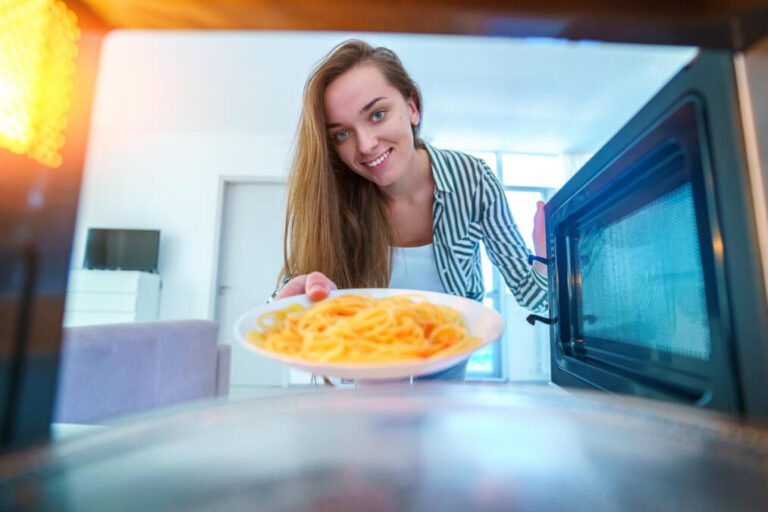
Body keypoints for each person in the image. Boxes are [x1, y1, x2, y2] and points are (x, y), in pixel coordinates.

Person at [272, 39, 549, 381]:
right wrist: (290, 303)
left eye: (377, 114)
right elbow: (284, 302)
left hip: (449, 360)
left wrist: (552, 266)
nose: (365, 145)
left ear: (412, 108)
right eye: (342, 134)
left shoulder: (474, 180)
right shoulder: (335, 198)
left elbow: (533, 296)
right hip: (369, 366)